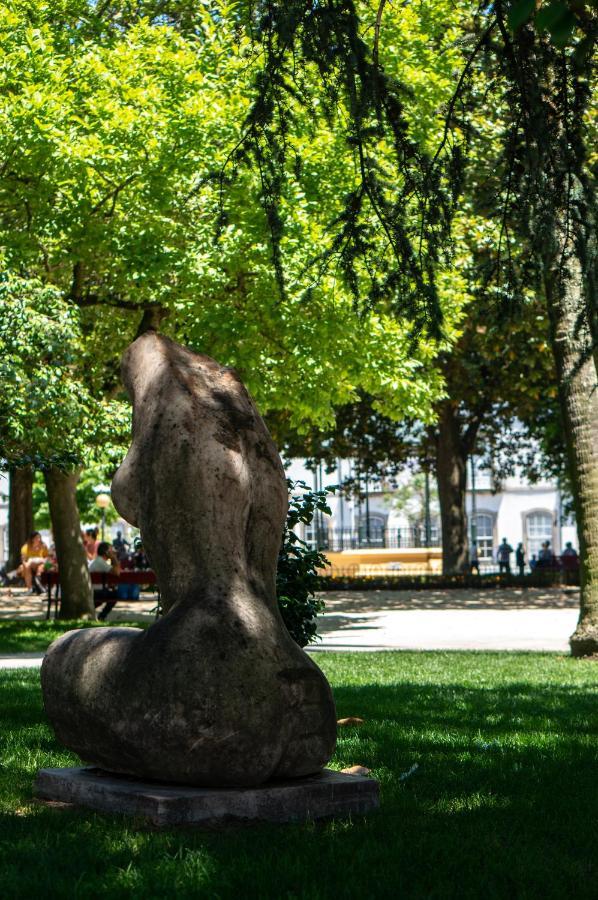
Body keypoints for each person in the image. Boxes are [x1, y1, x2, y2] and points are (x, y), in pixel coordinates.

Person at [89, 541, 120, 620]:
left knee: (109, 594)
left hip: (93, 591)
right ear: (106, 552)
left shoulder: (97, 561)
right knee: (114, 596)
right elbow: (117, 572)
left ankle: (95, 613)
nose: (113, 551)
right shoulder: (100, 562)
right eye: (111, 550)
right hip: (97, 592)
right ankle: (102, 616)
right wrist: (113, 558)